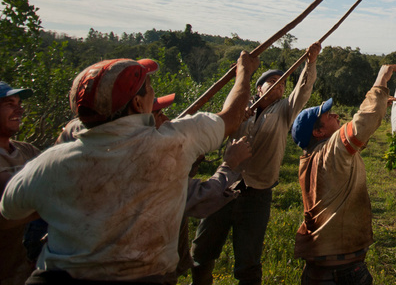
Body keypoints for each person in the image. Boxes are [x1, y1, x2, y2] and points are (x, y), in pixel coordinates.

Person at [0, 53, 257, 284]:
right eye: (149, 89)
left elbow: (8, 213)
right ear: (136, 104)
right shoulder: (171, 143)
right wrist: (244, 72)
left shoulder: (49, 163)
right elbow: (232, 116)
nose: (154, 95)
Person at [191, 42, 321, 285]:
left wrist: (310, 63)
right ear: (258, 88)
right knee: (202, 250)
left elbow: (302, 91)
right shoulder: (239, 108)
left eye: (282, 83)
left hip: (257, 193)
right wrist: (239, 112)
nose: (280, 85)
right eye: (272, 82)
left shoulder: (284, 110)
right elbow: (218, 128)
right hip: (224, 186)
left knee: (249, 261)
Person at [290, 63, 396, 285]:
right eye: (329, 116)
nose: (337, 116)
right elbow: (362, 123)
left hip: (321, 270)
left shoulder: (312, 158)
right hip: (342, 273)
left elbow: (357, 140)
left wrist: (379, 107)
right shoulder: (330, 152)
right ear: (318, 132)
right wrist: (381, 80)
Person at [0, 81, 40, 285]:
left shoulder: (27, 151)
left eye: (19, 103)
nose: (20, 109)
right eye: (9, 103)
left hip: (18, 271)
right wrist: (44, 208)